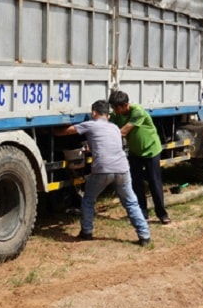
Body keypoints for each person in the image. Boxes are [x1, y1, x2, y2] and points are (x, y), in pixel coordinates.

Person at [54, 100, 151, 246]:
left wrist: (51, 132)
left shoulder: (91, 124)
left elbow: (67, 131)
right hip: (122, 169)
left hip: (102, 170)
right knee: (131, 202)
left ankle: (86, 232)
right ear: (109, 115)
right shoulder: (115, 128)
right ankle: (144, 236)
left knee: (88, 199)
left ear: (93, 113)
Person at [108, 90, 170, 225]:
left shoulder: (138, 111)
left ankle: (162, 214)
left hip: (151, 151)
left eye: (116, 107)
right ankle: (142, 213)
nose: (114, 110)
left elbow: (125, 130)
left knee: (154, 182)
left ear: (125, 105)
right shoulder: (116, 115)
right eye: (112, 107)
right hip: (135, 152)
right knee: (136, 183)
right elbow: (108, 126)